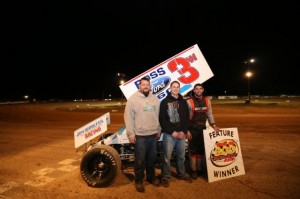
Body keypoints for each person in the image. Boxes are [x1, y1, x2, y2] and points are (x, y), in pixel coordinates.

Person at [124, 77, 161, 192]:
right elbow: (128, 118)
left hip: (153, 135)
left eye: (147, 85)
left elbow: (158, 115)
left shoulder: (155, 98)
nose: (145, 86)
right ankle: (139, 180)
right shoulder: (132, 100)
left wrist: (159, 129)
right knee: (140, 160)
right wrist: (131, 134)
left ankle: (151, 177)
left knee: (151, 159)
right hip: (140, 136)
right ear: (139, 86)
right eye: (143, 84)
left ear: (150, 86)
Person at [159, 81, 193, 187]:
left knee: (181, 156)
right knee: (166, 157)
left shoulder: (183, 102)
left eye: (177, 87)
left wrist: (184, 131)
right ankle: (165, 176)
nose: (176, 89)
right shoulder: (164, 102)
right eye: (174, 87)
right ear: (170, 88)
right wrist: (172, 132)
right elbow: (162, 120)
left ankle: (181, 173)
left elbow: (187, 118)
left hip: (182, 134)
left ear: (179, 88)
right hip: (170, 135)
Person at [186, 83, 219, 180]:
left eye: (200, 89)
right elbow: (185, 117)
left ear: (203, 90)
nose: (198, 90)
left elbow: (209, 114)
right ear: (194, 90)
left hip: (203, 128)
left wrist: (214, 125)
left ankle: (199, 169)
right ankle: (193, 170)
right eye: (196, 89)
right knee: (192, 150)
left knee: (200, 149)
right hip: (192, 128)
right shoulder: (189, 101)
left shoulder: (207, 101)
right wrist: (187, 130)